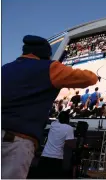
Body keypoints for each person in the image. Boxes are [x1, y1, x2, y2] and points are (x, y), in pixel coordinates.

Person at [1, 35, 99, 179]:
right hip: (17, 140)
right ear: (45, 54)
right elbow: (90, 78)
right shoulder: (50, 68)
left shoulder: (5, 68)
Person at [38, 111, 75, 178]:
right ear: (68, 119)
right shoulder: (69, 128)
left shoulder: (53, 124)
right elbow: (70, 143)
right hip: (56, 158)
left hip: (45, 155)